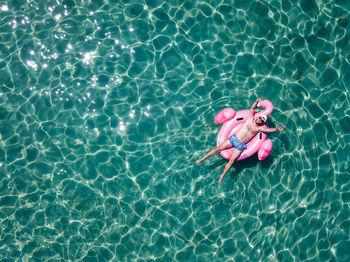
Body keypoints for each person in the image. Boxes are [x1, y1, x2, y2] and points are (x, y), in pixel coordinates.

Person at [196, 98, 285, 184]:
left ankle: (222, 175)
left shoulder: (259, 129)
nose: (260, 119)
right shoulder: (250, 119)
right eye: (260, 118)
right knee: (218, 149)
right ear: (257, 117)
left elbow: (269, 130)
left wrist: (277, 128)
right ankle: (202, 159)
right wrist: (256, 102)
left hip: (241, 145)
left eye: (262, 120)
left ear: (262, 122)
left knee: (231, 160)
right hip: (234, 139)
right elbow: (252, 108)